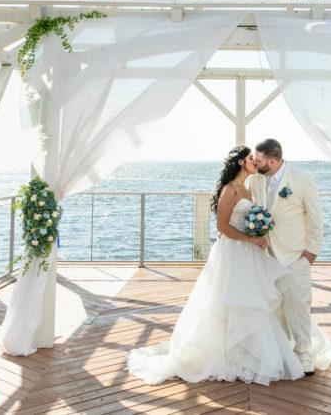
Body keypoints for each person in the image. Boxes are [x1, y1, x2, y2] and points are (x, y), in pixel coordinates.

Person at [126, 146, 305, 385]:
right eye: (251, 158)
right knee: (226, 302)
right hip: (232, 253)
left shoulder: (249, 188)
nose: (255, 161)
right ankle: (225, 355)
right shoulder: (229, 190)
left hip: (249, 253)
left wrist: (259, 231)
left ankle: (247, 354)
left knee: (251, 301)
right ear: (241, 162)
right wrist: (250, 238)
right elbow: (222, 227)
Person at [248, 138, 331, 375]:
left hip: (296, 256)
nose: (255, 163)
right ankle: (282, 352)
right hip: (267, 256)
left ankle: (304, 355)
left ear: (273, 161)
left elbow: (316, 218)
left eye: (259, 159)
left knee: (298, 307)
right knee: (275, 307)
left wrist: (311, 253)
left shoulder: (303, 179)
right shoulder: (255, 180)